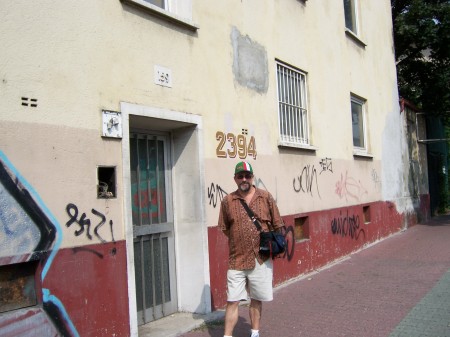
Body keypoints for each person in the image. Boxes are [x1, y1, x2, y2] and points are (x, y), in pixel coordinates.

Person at [218, 161, 284, 337]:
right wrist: (241, 239)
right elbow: (224, 227)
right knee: (232, 300)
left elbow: (278, 224)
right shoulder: (227, 201)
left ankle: (254, 333)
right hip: (237, 259)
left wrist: (274, 245)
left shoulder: (266, 197)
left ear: (252, 177)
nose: (244, 179)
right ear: (235, 179)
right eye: (240, 176)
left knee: (255, 299)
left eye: (247, 175)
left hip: (260, 258)